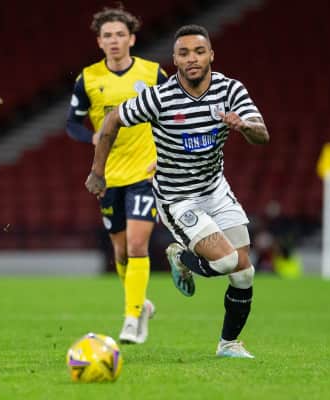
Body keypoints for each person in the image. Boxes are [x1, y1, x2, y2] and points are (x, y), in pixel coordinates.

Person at [85, 24, 269, 358]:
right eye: (184, 53)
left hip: (216, 190)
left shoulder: (230, 90)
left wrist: (244, 126)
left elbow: (262, 134)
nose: (192, 58)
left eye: (199, 51)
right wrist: (98, 172)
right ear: (175, 59)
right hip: (177, 197)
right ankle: (180, 256)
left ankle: (228, 344)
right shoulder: (159, 97)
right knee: (227, 260)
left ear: (211, 54)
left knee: (244, 273)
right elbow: (112, 120)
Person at [66, 6, 167, 345]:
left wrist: (166, 157)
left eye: (120, 34)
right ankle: (141, 304)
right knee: (121, 253)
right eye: (107, 35)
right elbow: (71, 124)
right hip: (108, 177)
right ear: (99, 41)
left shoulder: (153, 74)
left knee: (138, 245)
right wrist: (91, 137)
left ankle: (131, 318)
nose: (114, 40)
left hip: (145, 173)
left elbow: (174, 115)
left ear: (132, 39)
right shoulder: (88, 79)